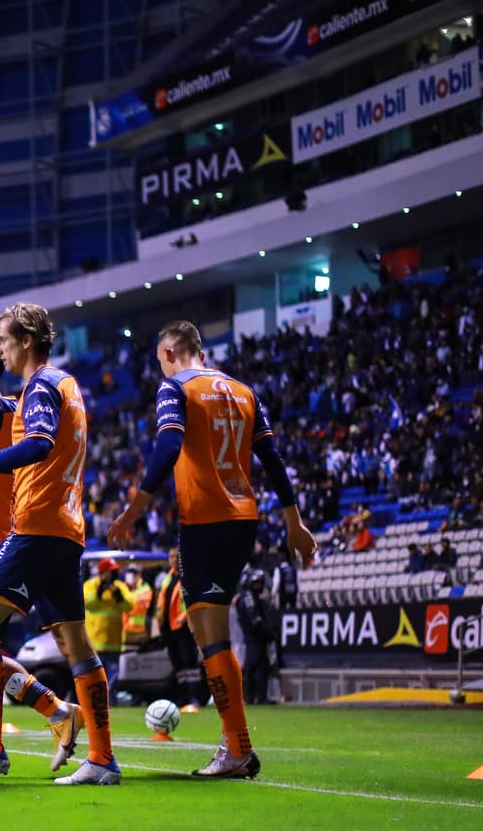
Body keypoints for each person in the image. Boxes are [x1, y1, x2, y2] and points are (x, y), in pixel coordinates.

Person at [109, 320, 316, 779]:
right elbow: (273, 461)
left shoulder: (175, 388)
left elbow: (167, 448)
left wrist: (132, 511)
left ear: (168, 353)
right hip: (245, 521)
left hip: (205, 522)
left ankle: (237, 747)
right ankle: (235, 744)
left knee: (211, 636)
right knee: (210, 634)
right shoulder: (244, 391)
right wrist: (294, 522)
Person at [0, 301, 119, 785]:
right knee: (76, 644)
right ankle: (101, 758)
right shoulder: (66, 385)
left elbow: (38, 446)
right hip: (67, 528)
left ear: (27, 340)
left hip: (35, 526)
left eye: (4, 339)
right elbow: (37, 450)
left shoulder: (39, 386)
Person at [159, 547, 208, 707]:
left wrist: (184, 618)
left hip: (184, 625)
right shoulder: (168, 578)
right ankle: (182, 695)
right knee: (178, 663)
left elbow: (193, 600)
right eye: (171, 556)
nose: (173, 559)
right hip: (169, 627)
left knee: (190, 662)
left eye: (176, 556)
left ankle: (194, 696)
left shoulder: (188, 576)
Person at [83, 558, 132, 701]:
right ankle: (95, 701)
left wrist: (120, 599)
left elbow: (130, 606)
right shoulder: (90, 585)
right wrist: (99, 594)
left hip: (113, 641)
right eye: (111, 571)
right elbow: (86, 602)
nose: (114, 573)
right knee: (95, 675)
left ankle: (110, 700)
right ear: (102, 572)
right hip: (95, 641)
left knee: (113, 674)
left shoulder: (119, 587)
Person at [235, 570, 274, 705]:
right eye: (256, 583)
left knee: (257, 666)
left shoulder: (253, 597)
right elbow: (254, 619)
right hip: (253, 637)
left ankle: (254, 696)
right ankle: (255, 697)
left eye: (260, 583)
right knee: (256, 667)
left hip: (254, 637)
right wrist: (269, 633)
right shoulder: (248, 598)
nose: (259, 586)